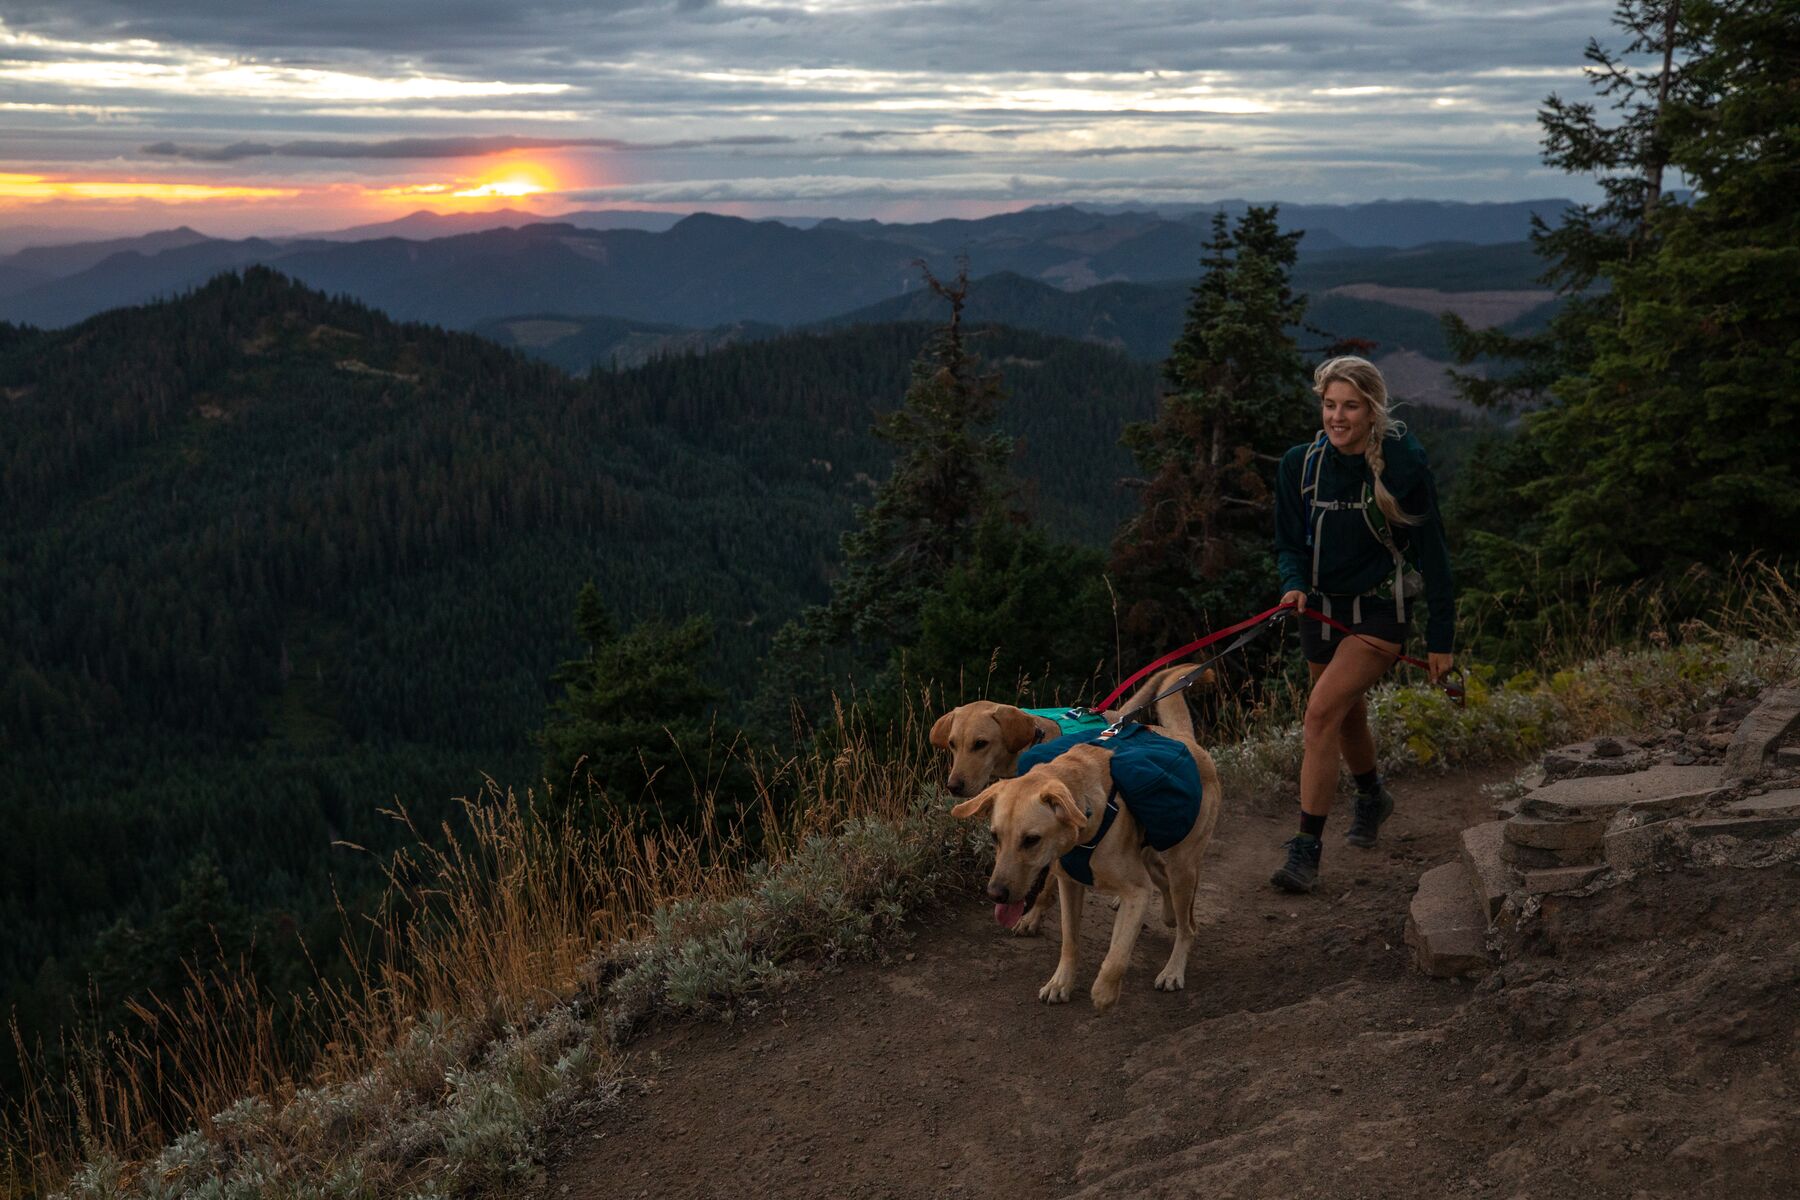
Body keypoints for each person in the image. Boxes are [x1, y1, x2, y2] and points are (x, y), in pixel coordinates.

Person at [1269, 356, 1454, 893]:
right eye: (1329, 404)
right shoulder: (1299, 466)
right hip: (1321, 607)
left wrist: (1441, 639)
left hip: (1380, 610)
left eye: (1350, 406)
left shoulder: (1402, 465)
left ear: (1373, 410)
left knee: (1320, 714)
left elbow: (1435, 555)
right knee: (1345, 716)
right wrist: (1292, 582)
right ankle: (1372, 795)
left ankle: (1306, 851)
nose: (1337, 416)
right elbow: (1287, 542)